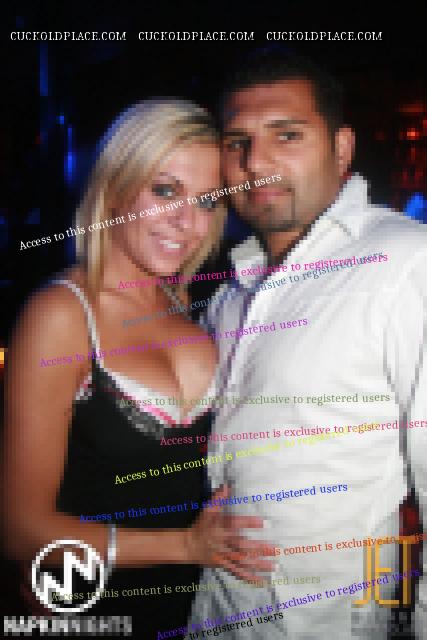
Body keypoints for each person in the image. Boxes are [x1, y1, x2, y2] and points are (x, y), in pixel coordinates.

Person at [3, 99, 275, 637]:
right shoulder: (60, 316)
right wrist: (186, 546)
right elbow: (19, 529)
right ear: (115, 188)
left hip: (192, 607)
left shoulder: (189, 304)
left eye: (206, 201)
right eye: (165, 190)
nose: (186, 223)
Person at [189, 53, 427, 639]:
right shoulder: (232, 293)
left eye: (287, 135)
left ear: (342, 149)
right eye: (238, 142)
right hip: (216, 611)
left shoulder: (404, 262)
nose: (256, 162)